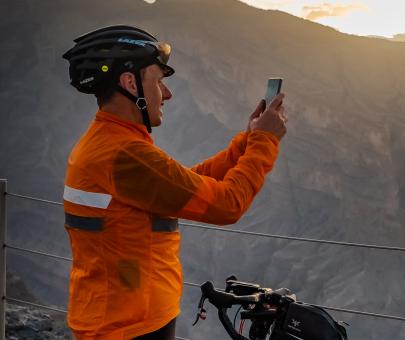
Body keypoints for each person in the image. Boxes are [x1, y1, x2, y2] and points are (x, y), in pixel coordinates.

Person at [61, 25, 287, 339]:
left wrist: (246, 143)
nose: (167, 93)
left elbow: (184, 184)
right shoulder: (124, 154)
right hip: (130, 327)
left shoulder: (111, 143)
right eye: (159, 81)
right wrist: (264, 143)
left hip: (122, 316)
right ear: (129, 83)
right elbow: (226, 205)